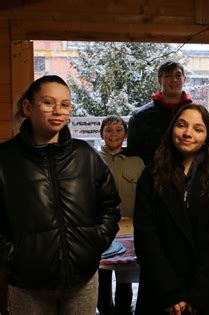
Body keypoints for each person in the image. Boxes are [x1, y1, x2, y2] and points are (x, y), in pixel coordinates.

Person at [0, 75, 120, 314]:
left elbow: (109, 206)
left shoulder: (85, 155)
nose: (57, 110)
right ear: (27, 107)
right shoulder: (5, 159)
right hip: (28, 285)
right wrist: (14, 258)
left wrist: (94, 243)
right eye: (48, 102)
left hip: (82, 281)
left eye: (64, 104)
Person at [133, 104, 209, 315]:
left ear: (207, 137)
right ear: (172, 130)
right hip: (159, 290)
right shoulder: (151, 176)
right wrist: (169, 291)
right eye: (182, 125)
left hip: (203, 292)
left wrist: (198, 293)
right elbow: (145, 238)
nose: (188, 133)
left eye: (198, 129)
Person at [97, 115, 145, 315]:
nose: (113, 134)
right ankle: (105, 309)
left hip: (131, 228)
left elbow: (145, 194)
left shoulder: (136, 162)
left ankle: (124, 310)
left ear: (125, 134)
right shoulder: (92, 159)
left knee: (126, 274)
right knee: (103, 274)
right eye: (108, 130)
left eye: (118, 130)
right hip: (102, 227)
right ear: (101, 134)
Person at [127, 59, 193, 165]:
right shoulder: (141, 116)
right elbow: (133, 156)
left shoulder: (195, 114)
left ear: (184, 79)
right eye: (167, 76)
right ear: (159, 80)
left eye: (178, 75)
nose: (174, 80)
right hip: (151, 177)